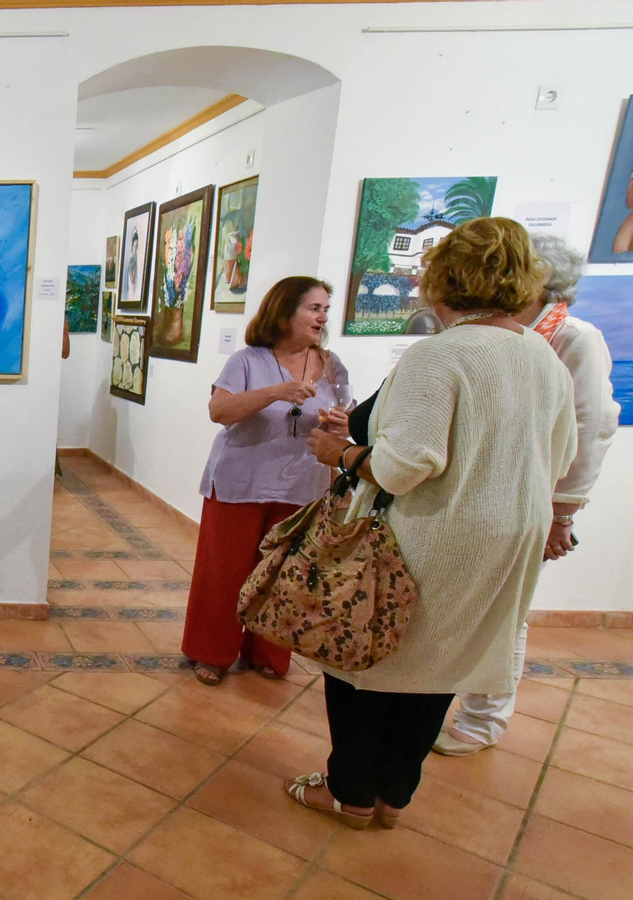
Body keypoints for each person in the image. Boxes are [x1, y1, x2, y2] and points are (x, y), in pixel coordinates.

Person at [298, 217, 576, 828]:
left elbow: (401, 468)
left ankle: (350, 792)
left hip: (432, 534)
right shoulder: (542, 356)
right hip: (508, 537)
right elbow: (560, 455)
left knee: (365, 658)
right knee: (442, 664)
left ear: (442, 280)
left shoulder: (440, 354)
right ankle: (395, 796)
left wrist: (338, 455)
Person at [429, 234, 620, 756]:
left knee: (506, 613)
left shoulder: (572, 338)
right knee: (466, 606)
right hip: (480, 495)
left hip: (527, 500)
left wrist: (563, 512)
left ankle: (483, 717)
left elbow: (593, 425)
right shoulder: (514, 336)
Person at [181, 276, 348, 686]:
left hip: (303, 487)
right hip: (241, 483)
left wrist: (342, 425)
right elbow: (219, 410)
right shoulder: (246, 361)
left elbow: (342, 419)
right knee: (225, 574)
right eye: (314, 308)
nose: (323, 316)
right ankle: (212, 652)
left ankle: (267, 653)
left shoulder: (332, 364)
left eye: (326, 308)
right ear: (285, 311)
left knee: (284, 575)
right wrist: (277, 391)